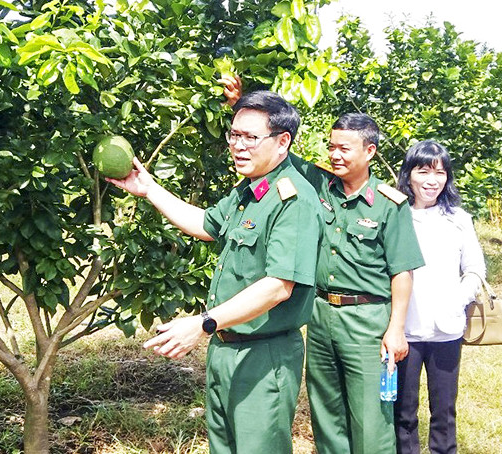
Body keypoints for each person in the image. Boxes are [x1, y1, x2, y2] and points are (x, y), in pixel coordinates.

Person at [108, 90, 323, 453]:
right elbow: (206, 224)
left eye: (250, 137)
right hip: (226, 348)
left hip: (264, 354)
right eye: (234, 135)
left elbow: (278, 287)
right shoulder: (251, 190)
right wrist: (149, 190)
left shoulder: (294, 200)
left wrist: (203, 323)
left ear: (283, 141)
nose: (238, 146)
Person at [223, 77, 425, 453]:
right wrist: (241, 105)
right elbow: (274, 147)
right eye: (331, 146)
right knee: (325, 413)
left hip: (366, 321)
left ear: (369, 152)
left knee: (370, 418)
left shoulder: (389, 204)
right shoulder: (318, 185)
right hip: (318, 316)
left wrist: (395, 330)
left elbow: (403, 272)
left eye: (344, 149)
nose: (335, 155)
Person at [394, 140, 486, 454]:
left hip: (446, 329)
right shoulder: (396, 216)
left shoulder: (459, 218)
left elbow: (475, 270)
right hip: (405, 330)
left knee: (444, 410)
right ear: (409, 175)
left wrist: (456, 300)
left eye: (440, 172)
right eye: (423, 171)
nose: (432, 180)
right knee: (403, 412)